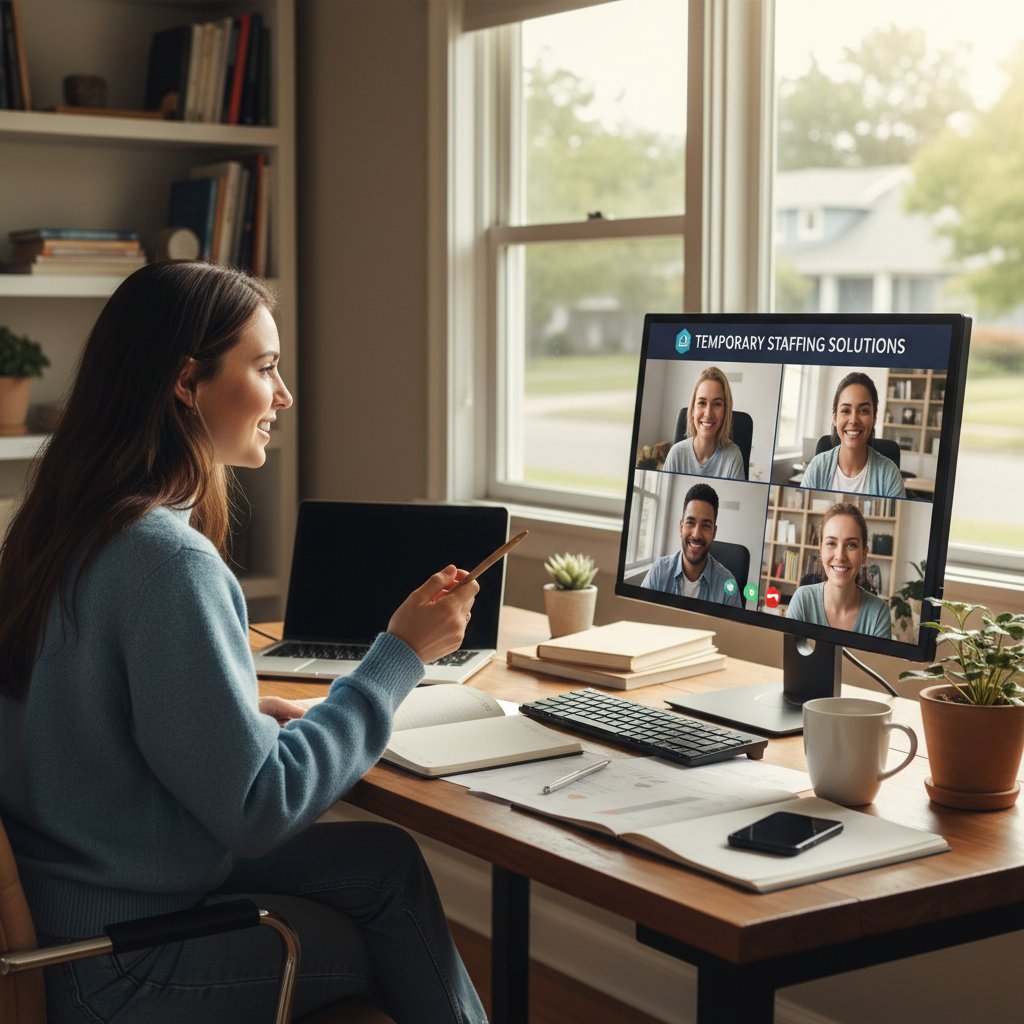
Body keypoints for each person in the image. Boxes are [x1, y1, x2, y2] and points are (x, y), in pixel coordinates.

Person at [0, 262, 487, 1024]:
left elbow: (79, 708)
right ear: (185, 383)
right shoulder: (167, 559)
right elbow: (263, 806)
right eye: (264, 368)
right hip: (115, 962)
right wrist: (400, 656)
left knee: (385, 867)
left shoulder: (60, 525)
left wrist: (233, 707)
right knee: (381, 943)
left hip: (70, 899)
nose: (283, 395)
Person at [786, 502, 891, 638]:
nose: (840, 556)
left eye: (851, 545)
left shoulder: (879, 612)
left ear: (864, 554)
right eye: (831, 543)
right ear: (820, 550)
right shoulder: (802, 599)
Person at [800, 371, 906, 497]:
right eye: (845, 410)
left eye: (863, 411)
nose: (854, 420)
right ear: (835, 418)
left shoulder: (889, 474)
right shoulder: (817, 467)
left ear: (874, 418)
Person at [641, 482, 743, 606]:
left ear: (714, 532)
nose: (696, 534)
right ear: (681, 527)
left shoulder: (728, 584)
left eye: (705, 525)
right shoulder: (659, 571)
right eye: (690, 522)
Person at [662, 366, 746, 479]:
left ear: (726, 411)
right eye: (702, 403)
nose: (708, 413)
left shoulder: (733, 456)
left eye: (717, 404)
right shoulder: (676, 453)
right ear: (692, 409)